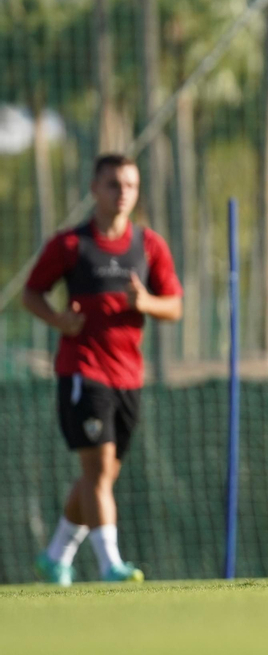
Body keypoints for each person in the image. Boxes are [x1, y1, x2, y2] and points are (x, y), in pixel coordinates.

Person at [25, 154, 183, 584]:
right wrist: (59, 320)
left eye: (130, 185)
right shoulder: (71, 245)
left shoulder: (149, 245)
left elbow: (174, 305)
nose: (123, 192)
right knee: (97, 471)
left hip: (129, 377)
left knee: (102, 474)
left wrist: (145, 303)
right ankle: (110, 564)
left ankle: (57, 553)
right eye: (113, 184)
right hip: (82, 371)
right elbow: (32, 293)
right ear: (94, 188)